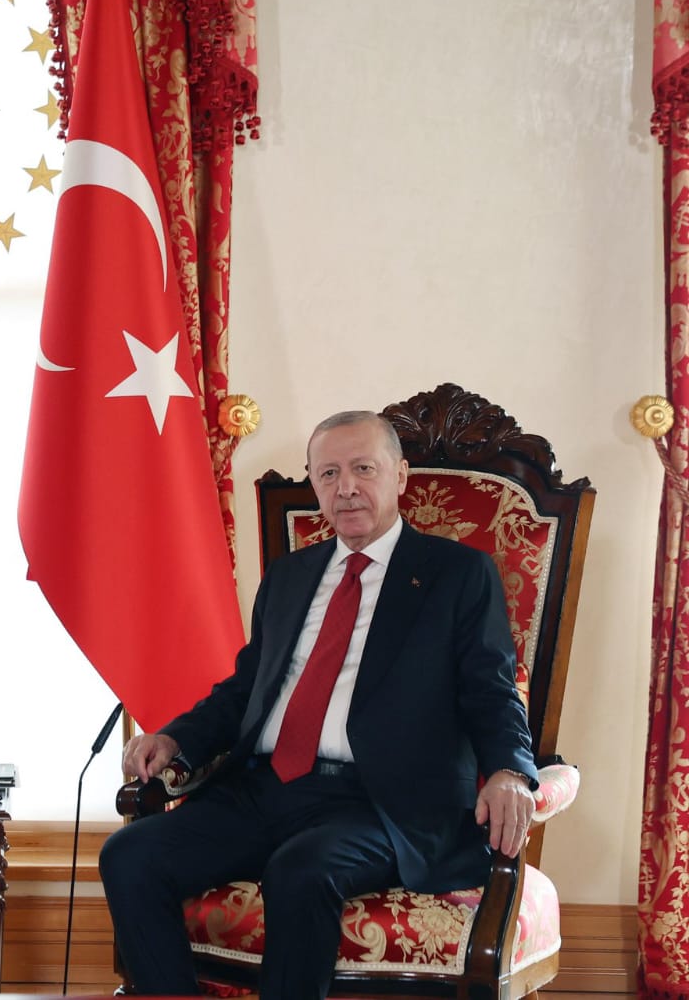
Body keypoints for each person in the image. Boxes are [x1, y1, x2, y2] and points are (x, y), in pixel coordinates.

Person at [99, 410, 538, 999]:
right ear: (314, 485)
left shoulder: (457, 574)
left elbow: (492, 690)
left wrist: (510, 770)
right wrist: (177, 738)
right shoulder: (289, 575)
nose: (345, 487)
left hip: (377, 803)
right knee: (130, 854)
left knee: (301, 869)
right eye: (328, 473)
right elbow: (245, 689)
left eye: (363, 469)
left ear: (401, 475)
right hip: (263, 788)